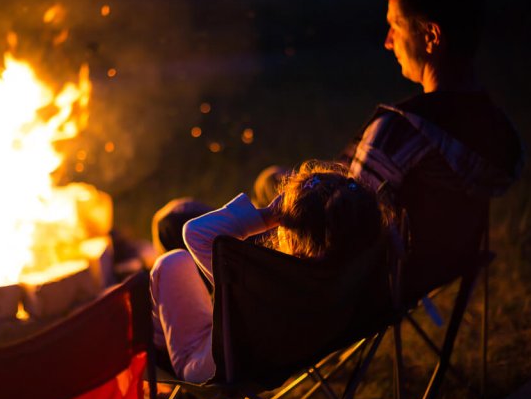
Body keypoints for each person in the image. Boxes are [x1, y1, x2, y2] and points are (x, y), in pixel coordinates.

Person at [340, 0, 524, 303]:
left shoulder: (402, 131)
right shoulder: (495, 130)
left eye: (395, 27)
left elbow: (341, 224)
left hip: (369, 291)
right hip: (435, 275)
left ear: (431, 37)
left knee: (269, 192)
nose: (388, 42)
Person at [149, 161, 387, 382]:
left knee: (172, 262)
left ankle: (157, 357)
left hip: (219, 363)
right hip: (288, 347)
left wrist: (267, 215)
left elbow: (194, 232)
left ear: (291, 238)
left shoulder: (272, 284)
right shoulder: (355, 265)